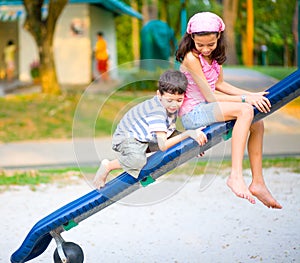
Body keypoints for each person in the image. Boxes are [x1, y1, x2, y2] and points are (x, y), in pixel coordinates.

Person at [175, 12, 282, 208]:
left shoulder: (214, 58)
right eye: (200, 45)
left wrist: (252, 95)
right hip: (194, 114)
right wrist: (245, 99)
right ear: (192, 39)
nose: (206, 49)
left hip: (208, 108)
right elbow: (211, 97)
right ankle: (235, 176)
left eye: (210, 44)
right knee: (245, 111)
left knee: (257, 121)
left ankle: (258, 182)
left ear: (219, 37)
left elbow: (221, 85)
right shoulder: (191, 58)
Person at [93, 70, 207, 189]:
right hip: (127, 138)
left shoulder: (170, 104)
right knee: (138, 160)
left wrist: (192, 144)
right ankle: (108, 166)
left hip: (147, 137)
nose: (174, 105)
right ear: (159, 95)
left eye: (179, 100)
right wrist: (188, 134)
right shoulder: (157, 111)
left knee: (180, 138)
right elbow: (163, 145)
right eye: (170, 100)